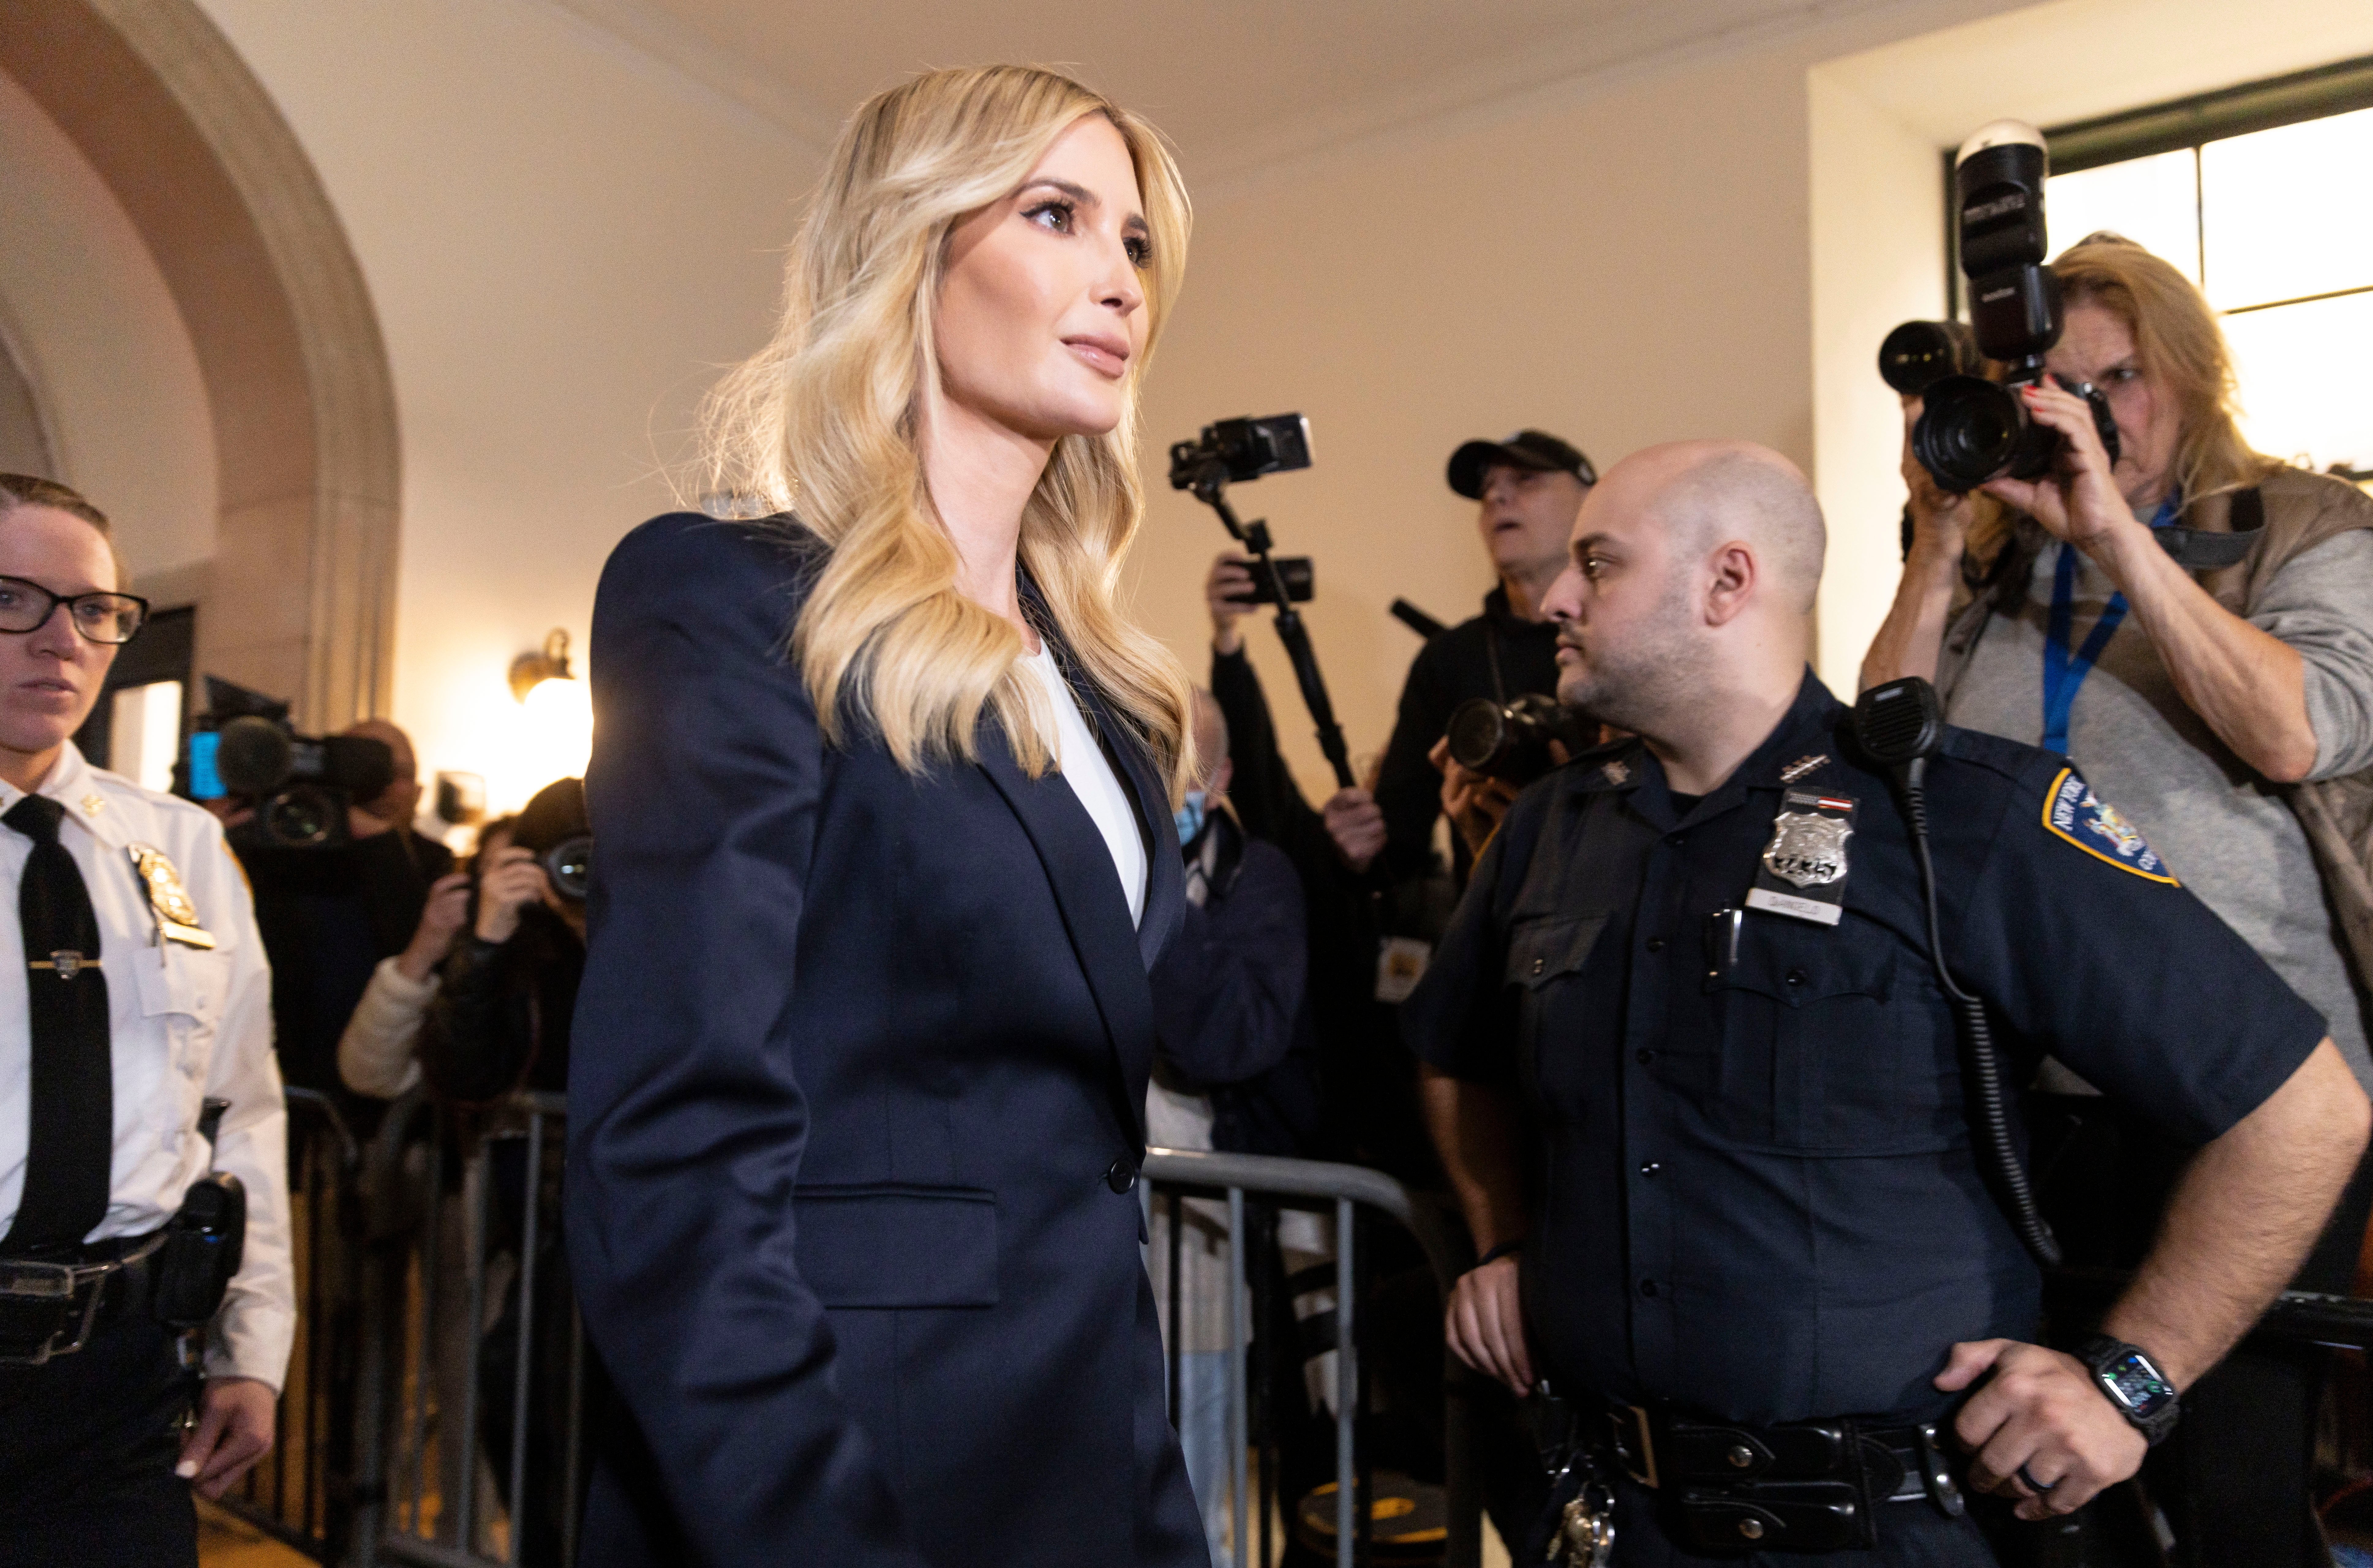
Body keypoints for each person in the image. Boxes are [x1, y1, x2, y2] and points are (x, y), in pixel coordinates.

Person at [1405, 440, 2370, 1565]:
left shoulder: (1957, 817)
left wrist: (2132, 1380)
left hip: (1883, 1529)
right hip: (1613, 1514)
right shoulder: (1552, 829)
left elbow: (2303, 1110)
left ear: (1728, 582)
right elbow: (1453, 1052)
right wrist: (1507, 1237)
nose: (1558, 599)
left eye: (1600, 565)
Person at [567, 66, 1206, 1566]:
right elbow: (676, 1146)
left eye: (1135, 244)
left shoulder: (1109, 690)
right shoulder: (727, 599)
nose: (1117, 282)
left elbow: (1079, 1161)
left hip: (1082, 1453)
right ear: (909, 247)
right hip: (831, 1460)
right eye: (1057, 215)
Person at [1860, 233, 2373, 1564]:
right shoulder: (1991, 557)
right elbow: (1880, 741)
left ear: (2192, 379)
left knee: (2231, 1492)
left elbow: (2295, 728)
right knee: (2027, 1473)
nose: (2090, 412)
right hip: (2020, 1081)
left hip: (2252, 1084)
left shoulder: (2303, 522)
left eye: (2121, 378)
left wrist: (2116, 542)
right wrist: (1932, 535)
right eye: (2056, 385)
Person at [0, 475, 292, 1568]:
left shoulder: (182, 850)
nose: (59, 640)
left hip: (117, 1391)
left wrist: (253, 1350)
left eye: (92, 610)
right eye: (13, 600)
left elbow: (243, 1114)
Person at [1146, 691, 1311, 1565]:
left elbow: (1233, 1038)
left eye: (1180, 764)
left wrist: (1158, 886)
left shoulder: (1258, 879)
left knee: (1189, 1500)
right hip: (1089, 1235)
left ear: (1218, 783)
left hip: (1197, 1243)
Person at [1345, 429, 1593, 888]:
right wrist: (1355, 841)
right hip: (1494, 924)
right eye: (1486, 491)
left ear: (1591, 501)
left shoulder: (1621, 637)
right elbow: (1397, 846)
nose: (1497, 496)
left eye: (1525, 479)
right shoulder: (1449, 658)